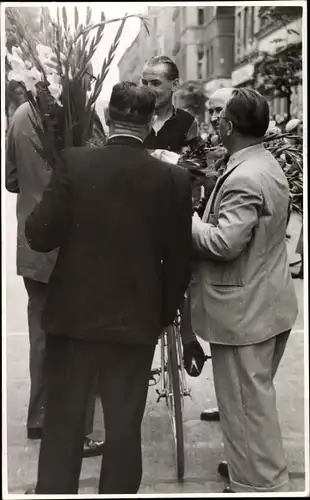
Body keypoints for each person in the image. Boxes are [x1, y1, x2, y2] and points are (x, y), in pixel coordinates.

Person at [24, 81, 192, 494]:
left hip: (72, 322)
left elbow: (40, 235)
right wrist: (158, 317)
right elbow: (179, 265)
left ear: (109, 117)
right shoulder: (173, 179)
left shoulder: (74, 164)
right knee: (123, 433)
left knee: (63, 427)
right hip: (134, 324)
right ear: (151, 121)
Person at [191, 88, 298, 493]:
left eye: (219, 117)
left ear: (230, 126)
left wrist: (189, 219)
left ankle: (256, 484)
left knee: (244, 406)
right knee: (252, 404)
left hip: (243, 310)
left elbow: (223, 243)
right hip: (265, 302)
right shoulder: (262, 163)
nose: (214, 122)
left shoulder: (246, 175)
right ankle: (250, 471)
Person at [5, 65, 105, 458]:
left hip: (33, 243)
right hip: (76, 242)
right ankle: (76, 424)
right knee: (81, 333)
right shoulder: (78, 112)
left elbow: (11, 179)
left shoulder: (17, 116)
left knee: (41, 331)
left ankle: (40, 416)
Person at [140, 55, 206, 379]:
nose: (149, 88)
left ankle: (188, 335)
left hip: (177, 211)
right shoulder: (134, 119)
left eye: (156, 82)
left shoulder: (187, 123)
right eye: (145, 82)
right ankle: (141, 345)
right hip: (139, 216)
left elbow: (197, 169)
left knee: (185, 261)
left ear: (174, 85)